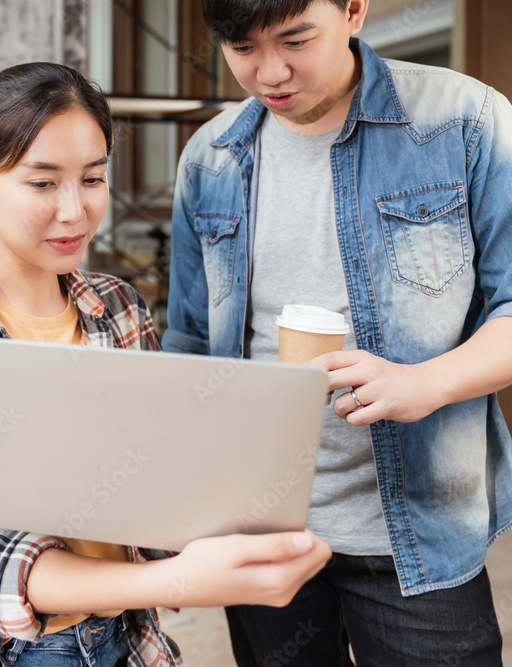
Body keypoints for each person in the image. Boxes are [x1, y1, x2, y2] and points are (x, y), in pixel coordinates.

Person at [0, 62, 331, 667]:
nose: (75, 211)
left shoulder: (119, 307)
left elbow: (158, 493)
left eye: (93, 178)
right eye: (43, 183)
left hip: (120, 642)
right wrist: (181, 580)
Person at [165, 0, 512, 663]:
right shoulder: (208, 157)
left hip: (417, 534)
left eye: (295, 39)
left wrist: (425, 383)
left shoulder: (464, 122)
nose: (270, 72)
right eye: (242, 49)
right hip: (262, 533)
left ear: (354, 9)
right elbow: (187, 345)